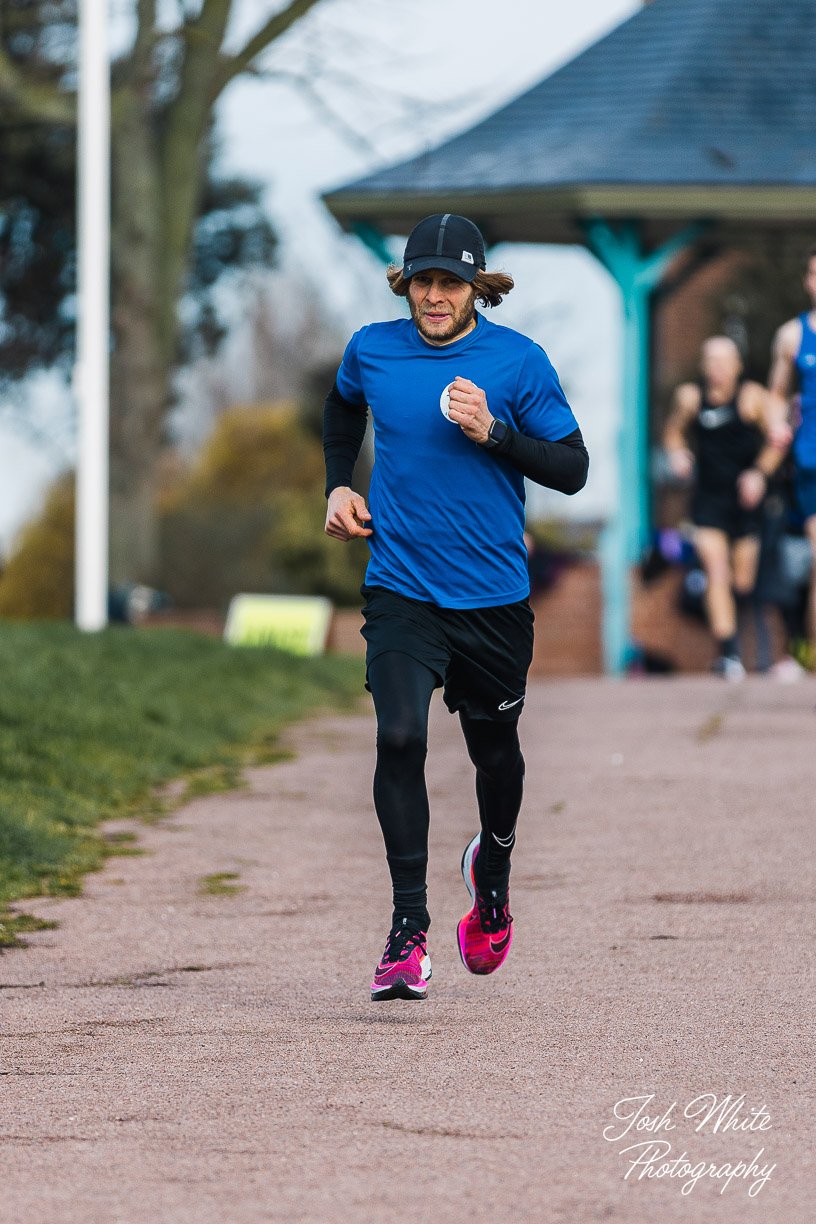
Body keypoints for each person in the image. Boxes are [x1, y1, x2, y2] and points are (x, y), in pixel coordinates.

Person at [322, 213, 588, 1001]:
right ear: (405, 284)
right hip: (402, 585)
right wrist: (339, 481)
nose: (434, 296)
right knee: (399, 737)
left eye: (451, 281)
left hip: (494, 600)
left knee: (494, 753)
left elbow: (571, 469)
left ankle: (493, 873)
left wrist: (493, 431)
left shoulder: (517, 362)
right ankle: (408, 933)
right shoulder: (373, 348)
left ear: (478, 287)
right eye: (423, 281)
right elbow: (341, 410)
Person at [663, 336, 787, 679]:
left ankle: (739, 637)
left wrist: (759, 475)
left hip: (745, 502)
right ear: (704, 366)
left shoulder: (752, 398)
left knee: (742, 582)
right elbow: (672, 432)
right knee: (716, 569)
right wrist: (676, 453)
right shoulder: (690, 399)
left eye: (724, 361)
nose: (717, 368)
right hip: (708, 501)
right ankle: (730, 655)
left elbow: (775, 444)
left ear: (738, 366)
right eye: (711, 361)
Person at [768, 246, 816, 663]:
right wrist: (777, 423)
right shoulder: (792, 335)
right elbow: (776, 397)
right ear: (808, 281)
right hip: (810, 460)